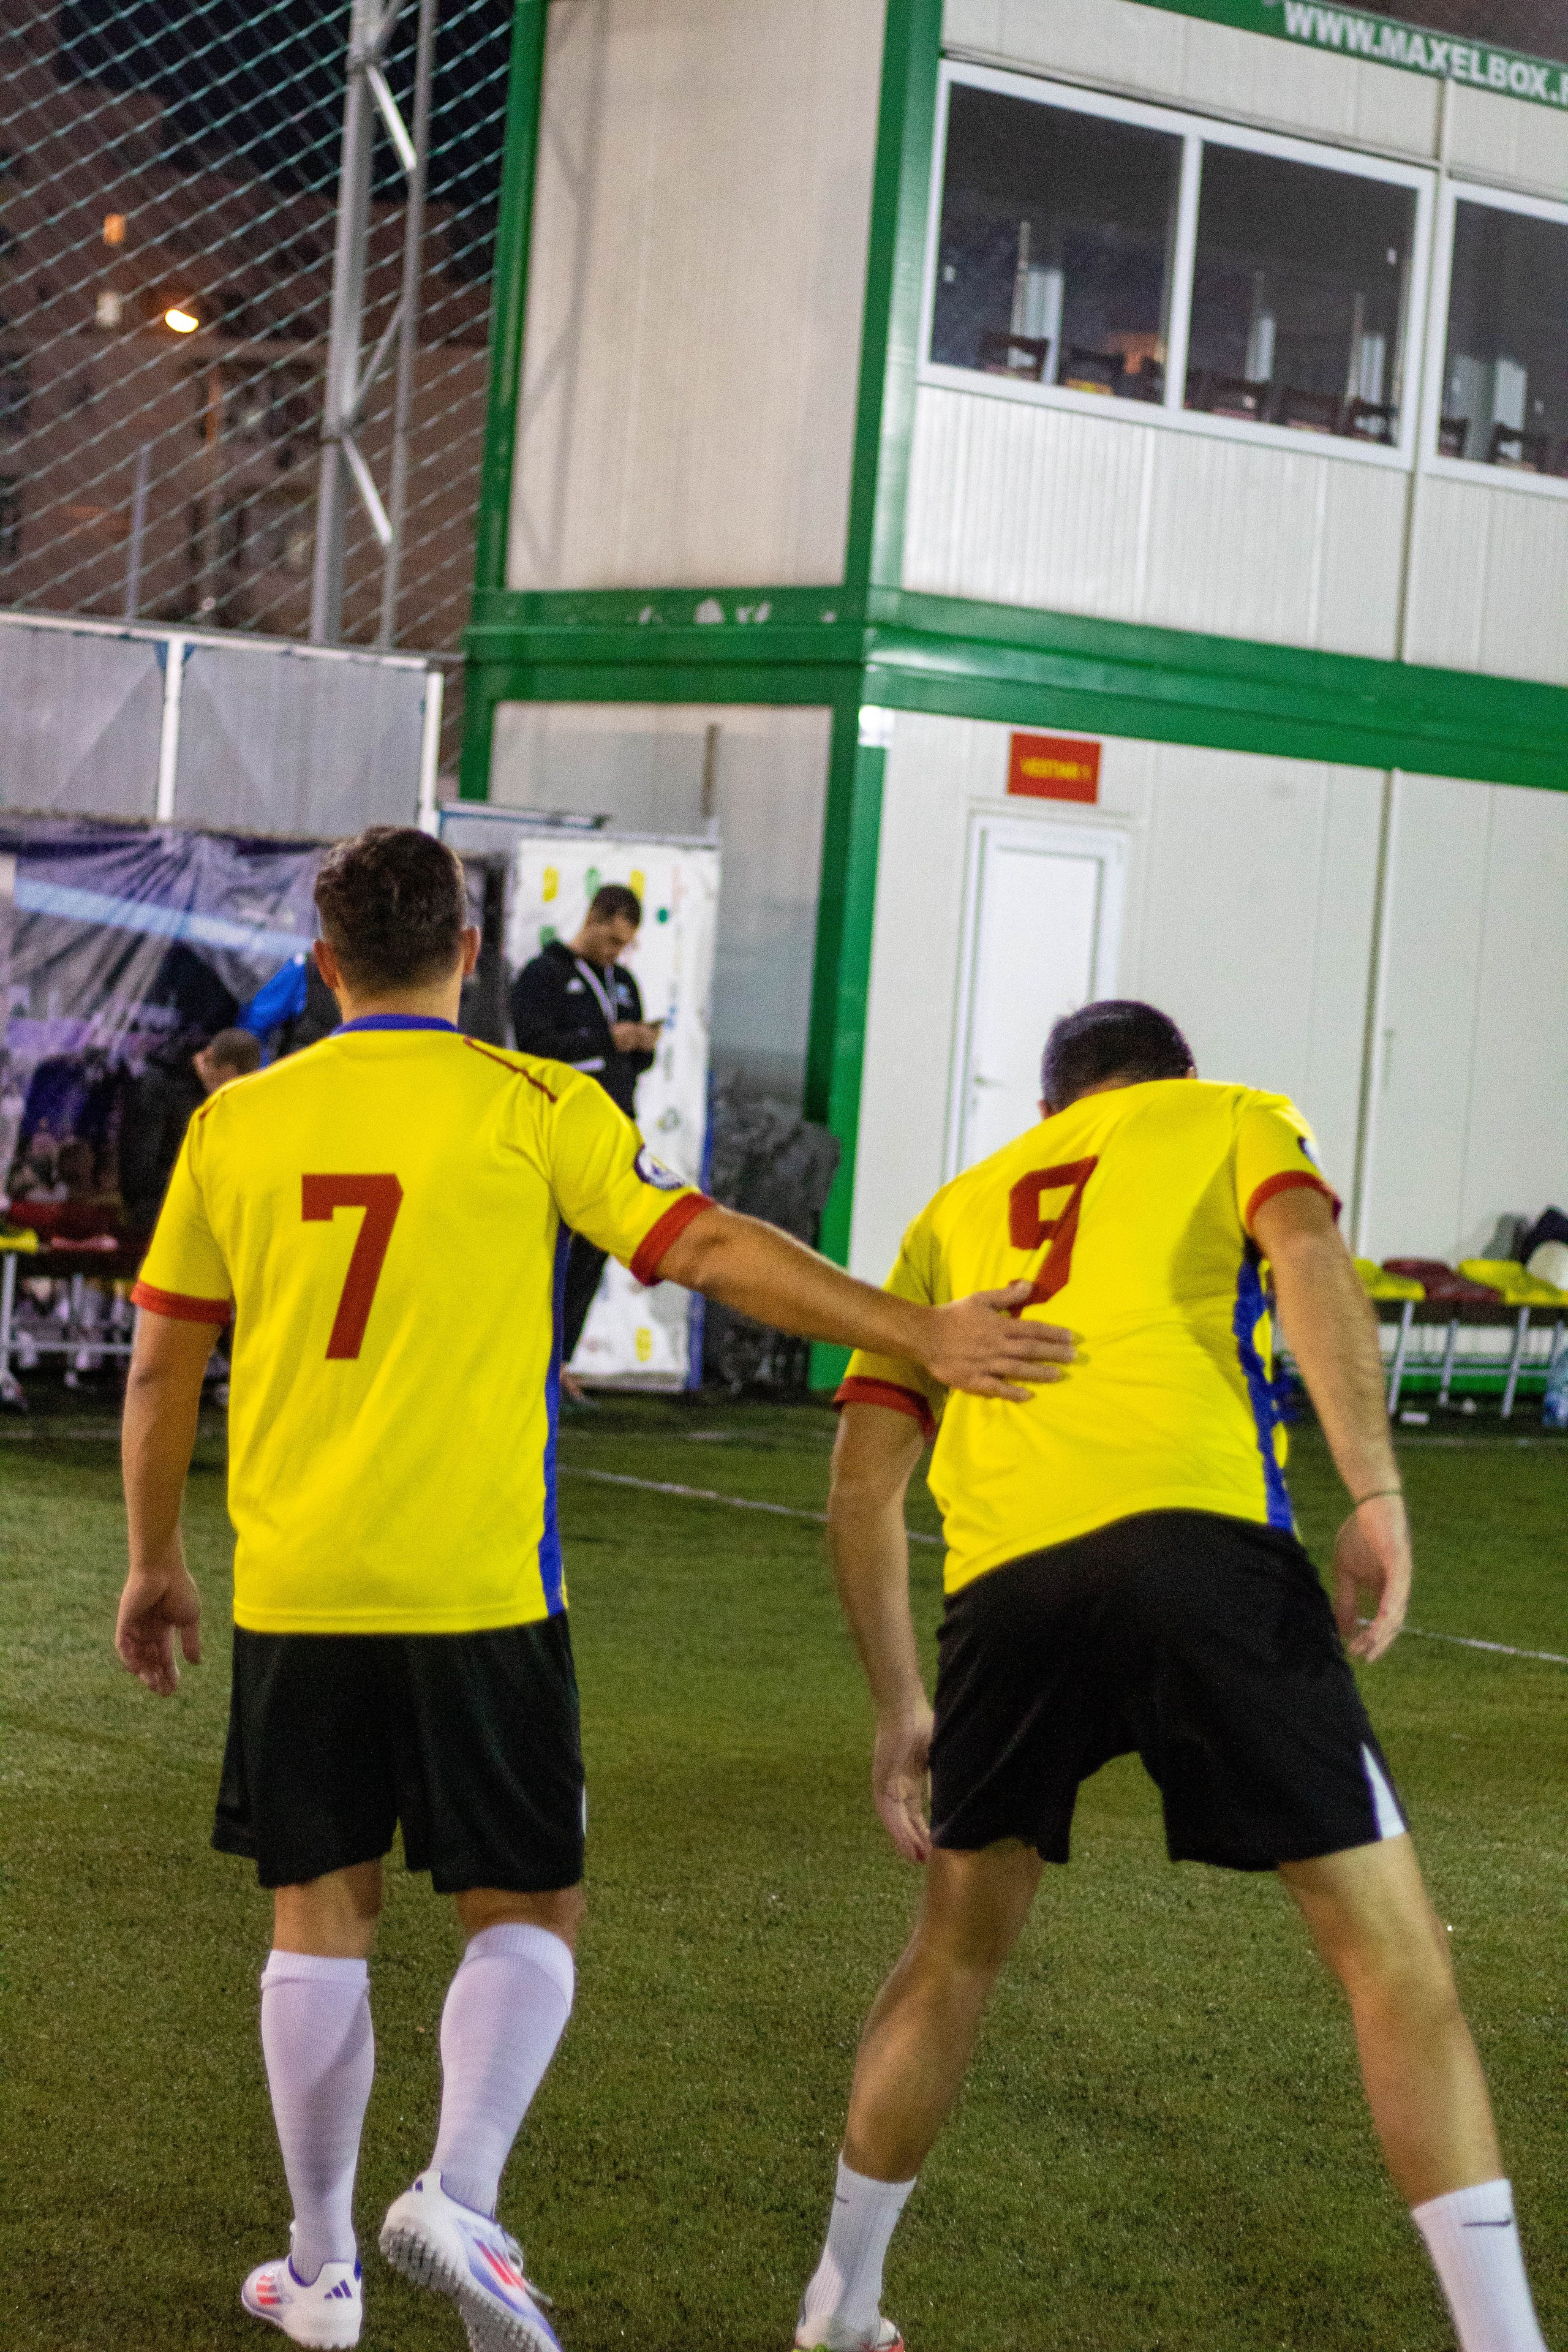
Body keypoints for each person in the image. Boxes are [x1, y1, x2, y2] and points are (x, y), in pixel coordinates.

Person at [112, 825, 1071, 2352]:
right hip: (481, 1585)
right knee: (529, 1902)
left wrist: (157, 1557)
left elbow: (164, 1362)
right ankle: (461, 2191)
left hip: (295, 1587)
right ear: (471, 952)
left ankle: (317, 2268)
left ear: (324, 955)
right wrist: (915, 1328)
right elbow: (707, 1249)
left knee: (317, 1914)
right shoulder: (537, 1101)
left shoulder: (241, 1121)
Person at [793, 1000, 1551, 2352]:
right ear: (1173, 1081)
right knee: (1392, 1959)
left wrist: (900, 1702)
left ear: (1048, 1113)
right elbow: (1308, 1255)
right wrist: (1372, 1487)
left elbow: (859, 1492)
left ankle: (838, 2303)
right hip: (1196, 1546)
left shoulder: (953, 1211)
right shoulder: (1231, 1118)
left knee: (953, 1951)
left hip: (1006, 1593)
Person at [509, 884, 662, 1382]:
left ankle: (560, 1361)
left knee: (595, 1249)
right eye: (613, 939)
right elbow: (534, 1049)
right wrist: (605, 1040)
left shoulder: (624, 983)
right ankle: (523, 1356)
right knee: (543, 1248)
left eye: (625, 944)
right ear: (594, 918)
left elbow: (635, 1062)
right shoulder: (544, 974)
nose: (617, 952)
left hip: (613, 1131)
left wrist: (641, 1043)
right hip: (556, 1132)